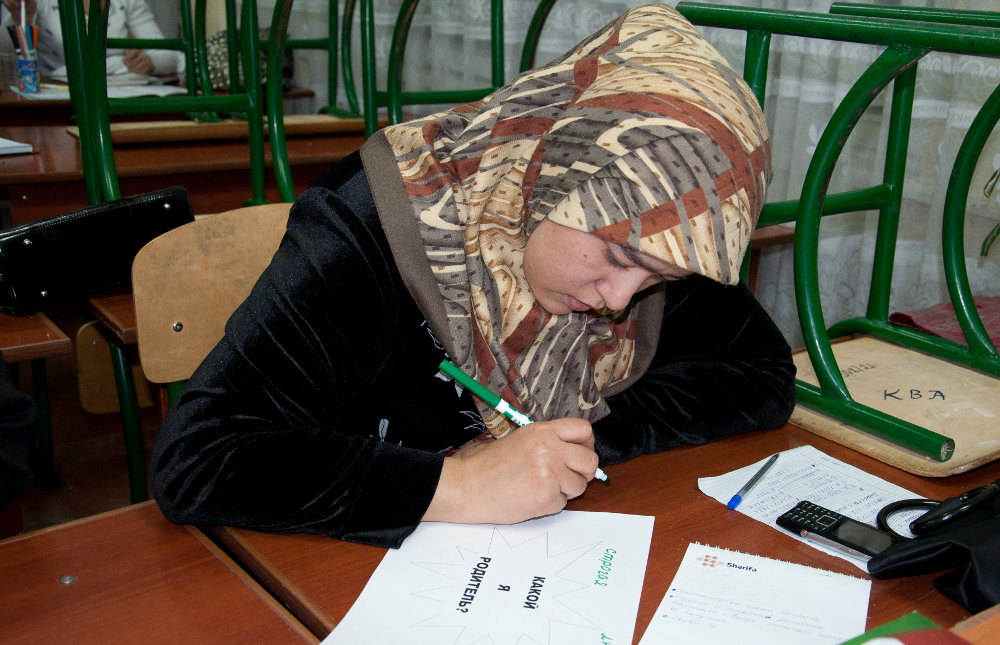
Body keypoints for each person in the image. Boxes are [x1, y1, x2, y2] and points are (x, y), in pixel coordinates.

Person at [150, 5, 796, 548]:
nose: (619, 301)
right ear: (555, 173)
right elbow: (198, 457)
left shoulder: (652, 237)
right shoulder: (371, 227)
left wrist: (577, 436)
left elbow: (762, 374)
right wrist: (458, 486)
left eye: (657, 281)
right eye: (620, 259)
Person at [1, 0, 180, 78]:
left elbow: (169, 55)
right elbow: (5, 54)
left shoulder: (126, 2)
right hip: (56, 104)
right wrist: (21, 17)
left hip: (115, 95)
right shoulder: (40, 2)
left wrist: (149, 62)